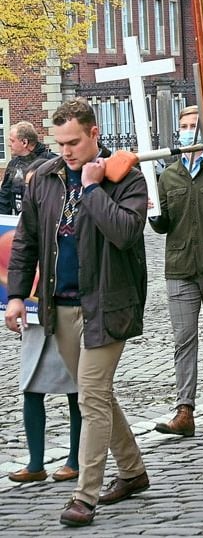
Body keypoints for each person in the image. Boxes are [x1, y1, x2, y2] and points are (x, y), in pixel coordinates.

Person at [5, 99, 149, 527]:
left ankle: (85, 496)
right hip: (60, 305)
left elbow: (124, 233)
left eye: (74, 142)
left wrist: (91, 188)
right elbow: (26, 241)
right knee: (97, 396)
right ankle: (133, 471)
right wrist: (16, 296)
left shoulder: (126, 178)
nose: (66, 151)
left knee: (90, 396)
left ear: (94, 135)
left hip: (107, 304)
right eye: (60, 143)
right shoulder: (44, 179)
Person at [149, 106, 203, 437]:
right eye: (183, 126)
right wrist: (155, 215)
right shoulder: (169, 175)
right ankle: (184, 409)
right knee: (184, 339)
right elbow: (163, 223)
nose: (187, 131)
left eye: (193, 126)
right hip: (179, 268)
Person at [3, 123, 78, 485]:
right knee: (30, 383)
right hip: (37, 299)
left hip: (72, 299)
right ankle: (35, 463)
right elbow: (23, 244)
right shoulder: (36, 181)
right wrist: (14, 296)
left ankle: (76, 459)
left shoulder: (68, 175)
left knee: (79, 387)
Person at [0, 121, 55, 214]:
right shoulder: (13, 165)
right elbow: (4, 198)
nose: (9, 144)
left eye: (12, 141)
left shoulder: (50, 163)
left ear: (24, 142)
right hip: (19, 222)